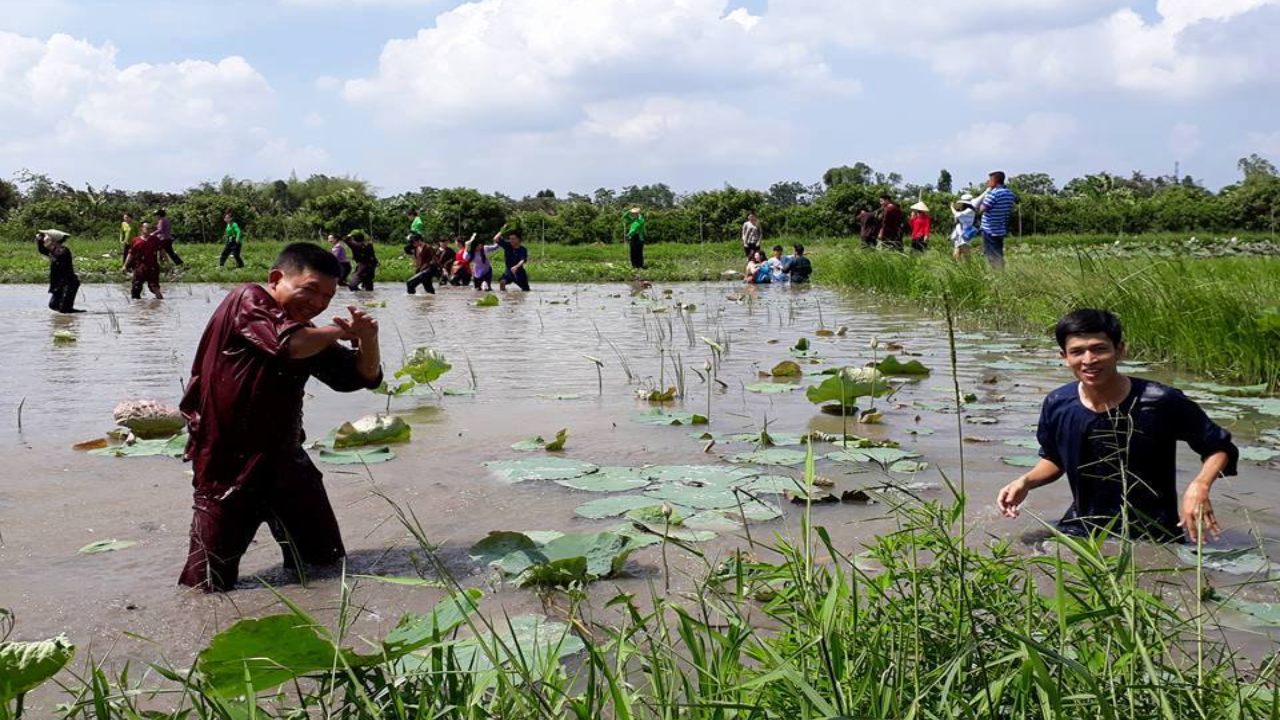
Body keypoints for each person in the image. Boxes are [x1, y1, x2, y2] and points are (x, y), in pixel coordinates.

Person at [177, 242, 382, 592]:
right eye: (310, 290)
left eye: (327, 297)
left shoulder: (306, 330)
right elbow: (289, 344)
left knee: (326, 565)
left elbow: (359, 378)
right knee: (207, 586)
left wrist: (368, 339)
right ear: (277, 279)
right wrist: (342, 331)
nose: (317, 303)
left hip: (287, 463)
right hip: (227, 467)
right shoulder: (248, 299)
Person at [996, 309, 1238, 543]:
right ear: (1065, 357)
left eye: (1099, 349)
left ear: (1120, 350)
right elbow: (1055, 459)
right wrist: (1025, 482)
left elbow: (1219, 447)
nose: (1088, 360)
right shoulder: (1058, 403)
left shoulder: (1161, 400)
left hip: (1152, 535)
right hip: (1083, 528)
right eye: (1077, 352)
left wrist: (1200, 485)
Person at [36, 229, 82, 313]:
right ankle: (71, 315)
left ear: (53, 240)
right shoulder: (53, 250)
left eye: (46, 236)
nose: (44, 238)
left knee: (64, 310)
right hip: (59, 283)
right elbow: (42, 250)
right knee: (53, 305)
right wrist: (39, 241)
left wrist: (49, 246)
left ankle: (73, 320)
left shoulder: (63, 251)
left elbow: (57, 255)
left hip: (69, 283)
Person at [979, 171, 1017, 268]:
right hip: (1000, 228)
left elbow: (982, 209)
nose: (988, 182)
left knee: (992, 255)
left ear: (995, 181)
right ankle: (1001, 272)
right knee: (998, 252)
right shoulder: (1010, 194)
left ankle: (997, 274)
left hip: (989, 229)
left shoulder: (993, 194)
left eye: (990, 180)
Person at [124, 222, 164, 299]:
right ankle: (137, 306)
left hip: (152, 266)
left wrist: (165, 261)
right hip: (139, 267)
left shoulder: (155, 240)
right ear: (142, 228)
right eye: (147, 228)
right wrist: (125, 265)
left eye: (150, 228)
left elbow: (162, 251)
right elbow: (131, 254)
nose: (149, 230)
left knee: (154, 287)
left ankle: (160, 302)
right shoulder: (136, 240)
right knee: (136, 287)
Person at [950, 194, 978, 260]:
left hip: (964, 233)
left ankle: (968, 269)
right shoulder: (965, 210)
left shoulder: (970, 210)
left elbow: (957, 215)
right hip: (959, 233)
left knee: (966, 255)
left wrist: (951, 207)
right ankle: (958, 269)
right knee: (956, 254)